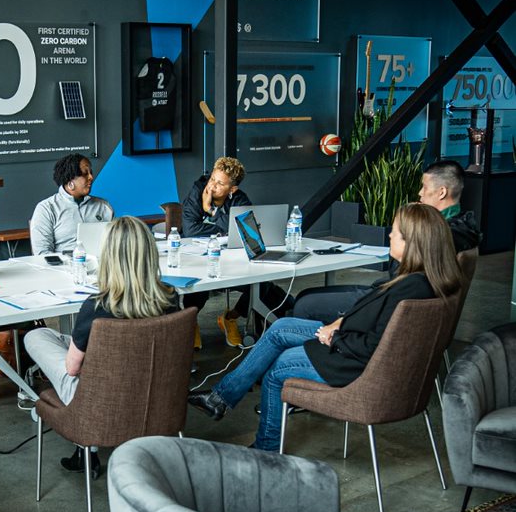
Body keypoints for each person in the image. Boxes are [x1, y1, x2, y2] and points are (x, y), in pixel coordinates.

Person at [188, 203, 462, 452]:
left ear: (413, 243)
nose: (389, 234)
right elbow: (379, 328)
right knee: (282, 326)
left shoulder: (408, 289)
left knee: (277, 369)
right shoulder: (425, 282)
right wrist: (338, 324)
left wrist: (335, 338)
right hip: (355, 344)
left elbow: (375, 346)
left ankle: (266, 448)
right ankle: (219, 398)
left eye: (396, 232)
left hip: (353, 360)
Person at [24, 216, 179, 476]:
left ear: (108, 256)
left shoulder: (96, 307)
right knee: (67, 343)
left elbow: (72, 370)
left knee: (36, 337)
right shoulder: (171, 298)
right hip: (156, 394)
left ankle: (88, 450)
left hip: (97, 403)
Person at [293, 160, 481, 323]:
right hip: (391, 294)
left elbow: (404, 277)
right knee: (305, 296)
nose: (419, 193)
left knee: (305, 303)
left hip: (392, 301)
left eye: (424, 187)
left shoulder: (437, 235)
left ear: (441, 192)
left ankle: (305, 357)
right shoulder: (460, 229)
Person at [181, 157, 288, 347]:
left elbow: (242, 229)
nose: (212, 186)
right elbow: (190, 231)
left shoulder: (240, 199)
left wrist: (210, 211)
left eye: (220, 183)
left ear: (232, 189)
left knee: (261, 284)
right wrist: (221, 224)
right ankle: (191, 324)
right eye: (212, 179)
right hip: (197, 256)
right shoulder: (198, 191)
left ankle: (230, 318)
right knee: (198, 283)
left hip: (232, 258)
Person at [30, 154, 114, 255]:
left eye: (90, 173)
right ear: (70, 182)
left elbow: (115, 243)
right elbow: (42, 253)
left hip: (101, 267)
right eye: (84, 174)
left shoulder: (103, 206)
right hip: (62, 268)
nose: (91, 177)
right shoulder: (46, 209)